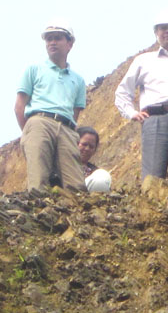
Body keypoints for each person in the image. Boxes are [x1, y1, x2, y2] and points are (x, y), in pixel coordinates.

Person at [115, 8, 168, 185]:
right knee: (152, 176)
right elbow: (123, 91)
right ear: (156, 32)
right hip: (155, 119)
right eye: (162, 28)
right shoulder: (144, 60)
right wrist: (132, 113)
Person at [15, 19, 87, 191]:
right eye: (49, 39)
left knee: (75, 185)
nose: (52, 42)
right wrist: (30, 131)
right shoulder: (34, 70)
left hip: (67, 127)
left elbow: (75, 112)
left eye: (57, 38)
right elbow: (19, 106)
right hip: (39, 121)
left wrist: (68, 129)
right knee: (38, 180)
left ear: (70, 43)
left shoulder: (78, 80)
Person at [77, 126, 112, 192]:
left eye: (91, 146)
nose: (87, 149)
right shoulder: (64, 166)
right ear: (75, 143)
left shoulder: (96, 173)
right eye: (84, 144)